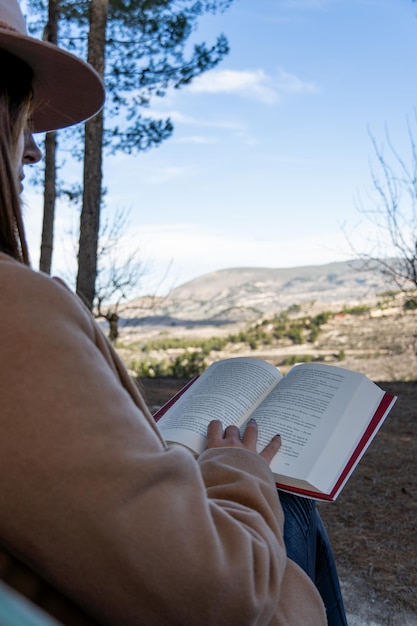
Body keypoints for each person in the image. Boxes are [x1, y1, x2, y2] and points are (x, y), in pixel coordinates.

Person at [0, 1, 347, 624]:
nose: (32, 150)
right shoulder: (12, 313)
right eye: (19, 108)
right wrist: (236, 469)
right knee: (290, 506)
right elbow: (219, 593)